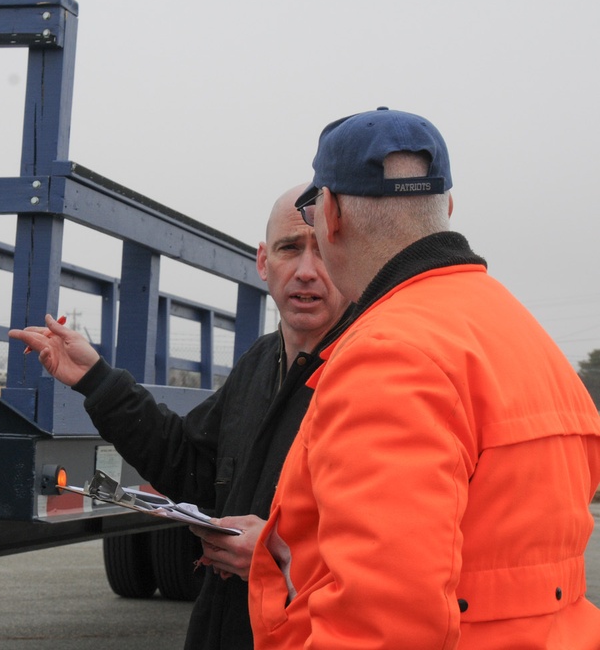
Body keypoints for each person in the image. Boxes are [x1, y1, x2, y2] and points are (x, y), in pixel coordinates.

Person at [248, 107, 600, 649]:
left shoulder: (388, 356)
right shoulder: (525, 336)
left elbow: (382, 626)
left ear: (330, 215)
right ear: (447, 208)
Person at [9, 184, 352, 650]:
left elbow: (396, 560)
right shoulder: (260, 362)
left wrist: (280, 558)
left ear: (349, 258)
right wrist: (95, 378)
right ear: (263, 262)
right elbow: (189, 464)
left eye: (323, 249)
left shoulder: (367, 376)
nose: (307, 271)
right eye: (290, 248)